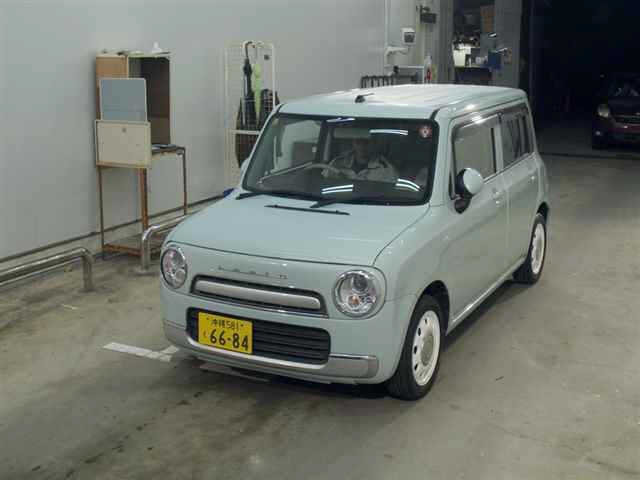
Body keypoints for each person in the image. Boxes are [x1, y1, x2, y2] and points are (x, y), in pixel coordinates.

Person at [326, 137, 397, 182]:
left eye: (366, 142)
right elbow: (324, 182)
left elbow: (390, 193)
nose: (362, 146)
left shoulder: (386, 169)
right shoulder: (336, 163)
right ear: (353, 143)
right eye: (358, 142)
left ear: (373, 143)